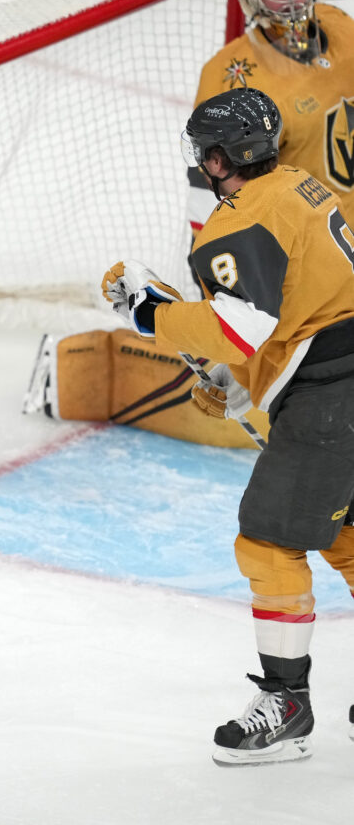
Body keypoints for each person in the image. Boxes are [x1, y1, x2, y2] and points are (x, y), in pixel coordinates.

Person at [101, 86, 354, 766]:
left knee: (269, 540)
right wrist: (238, 381)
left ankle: (287, 701)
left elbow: (238, 327)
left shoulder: (236, 222)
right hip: (338, 379)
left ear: (217, 160)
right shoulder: (303, 187)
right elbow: (301, 308)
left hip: (335, 398)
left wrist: (150, 315)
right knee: (346, 534)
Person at [24, 0, 354, 447]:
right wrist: (221, 316)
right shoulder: (231, 73)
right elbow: (215, 188)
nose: (290, 1)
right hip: (300, 262)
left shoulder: (339, 27)